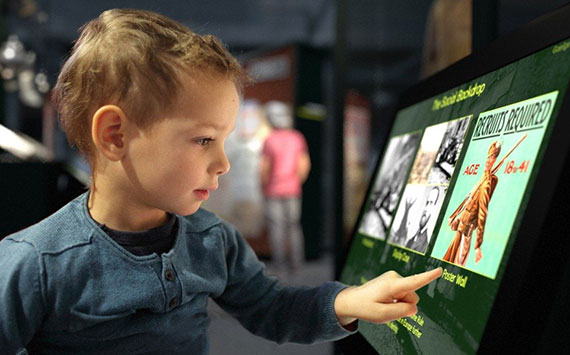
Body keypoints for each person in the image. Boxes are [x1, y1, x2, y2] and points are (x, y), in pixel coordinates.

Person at [0, 9, 442, 354]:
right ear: (115, 135)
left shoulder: (213, 240)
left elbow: (272, 308)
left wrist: (348, 303)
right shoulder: (35, 263)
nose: (223, 163)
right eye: (204, 139)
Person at [260, 100, 309, 273]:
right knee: (294, 226)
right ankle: (296, 264)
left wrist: (264, 186)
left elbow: (264, 168)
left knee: (277, 227)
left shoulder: (269, 140)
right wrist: (296, 181)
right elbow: (304, 164)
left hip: (273, 190)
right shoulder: (297, 137)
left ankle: (279, 265)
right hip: (293, 188)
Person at [443, 142, 501, 265]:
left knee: (456, 265)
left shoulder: (487, 184)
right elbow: (468, 202)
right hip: (460, 227)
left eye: (492, 158)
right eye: (488, 157)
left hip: (466, 231)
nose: (488, 160)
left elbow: (482, 213)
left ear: (495, 160)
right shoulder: (483, 179)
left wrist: (478, 245)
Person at [406, 186, 440, 253]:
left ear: (434, 209)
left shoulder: (426, 247)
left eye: (431, 203)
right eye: (427, 203)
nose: (425, 209)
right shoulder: (410, 240)